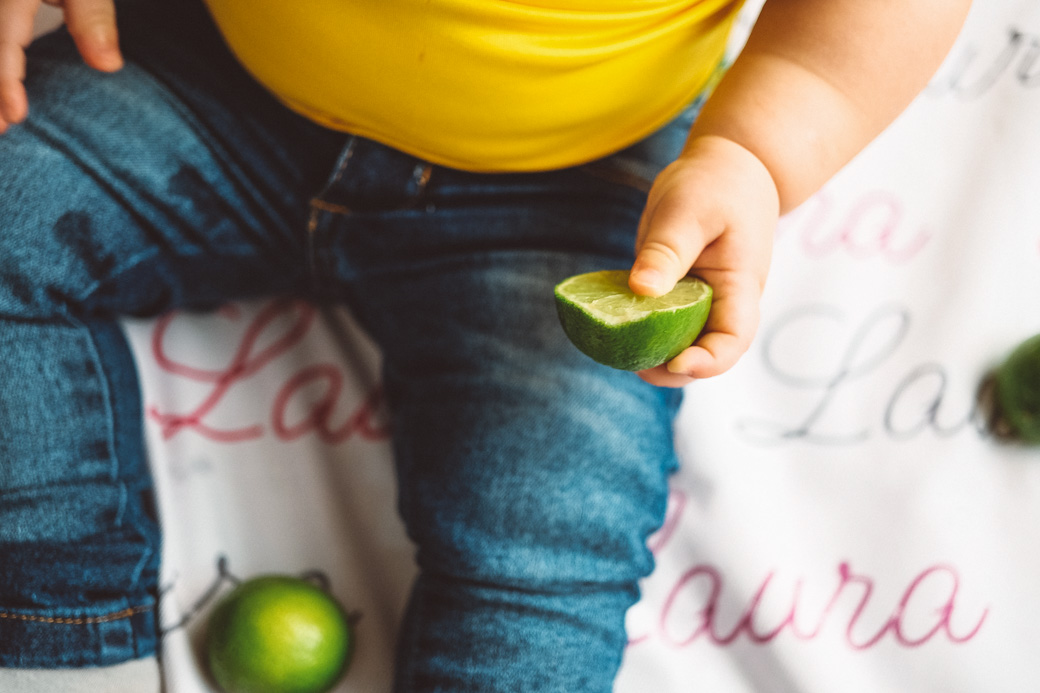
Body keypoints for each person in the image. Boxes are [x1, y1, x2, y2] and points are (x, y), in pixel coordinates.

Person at [0, 0, 970, 691]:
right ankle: (59, 646)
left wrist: (754, 153)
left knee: (547, 533)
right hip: (210, 82)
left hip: (568, 181)